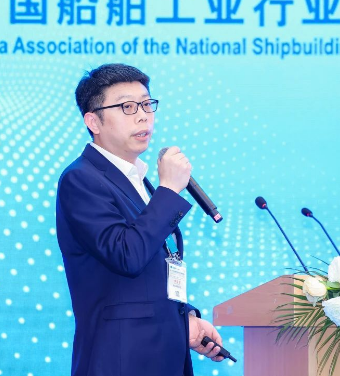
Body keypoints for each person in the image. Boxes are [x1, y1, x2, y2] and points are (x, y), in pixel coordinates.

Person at [55, 63, 224, 376]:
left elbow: (149, 273)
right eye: (127, 107)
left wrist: (185, 320)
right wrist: (169, 189)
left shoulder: (139, 181)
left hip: (163, 358)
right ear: (93, 121)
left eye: (147, 104)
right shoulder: (81, 180)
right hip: (119, 361)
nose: (143, 116)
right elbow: (127, 255)